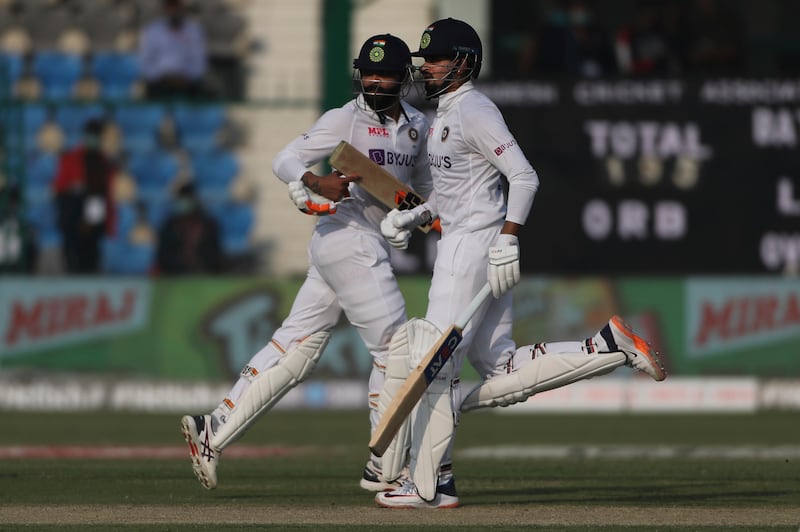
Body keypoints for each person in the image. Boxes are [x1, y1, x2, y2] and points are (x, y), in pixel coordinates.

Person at [375, 18, 666, 509]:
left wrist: (508, 239)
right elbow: (458, 193)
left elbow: (524, 177)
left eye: (438, 60)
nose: (428, 69)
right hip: (468, 241)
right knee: (499, 363)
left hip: (474, 248)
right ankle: (606, 346)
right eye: (426, 62)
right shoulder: (448, 113)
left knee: (437, 364)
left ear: (465, 62)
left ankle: (430, 485)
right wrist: (414, 217)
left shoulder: (474, 110)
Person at [179, 34, 432, 491]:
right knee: (396, 350)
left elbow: (424, 190)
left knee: (295, 350)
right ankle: (388, 468)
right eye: (368, 73)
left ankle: (213, 429)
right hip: (346, 239)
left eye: (386, 74)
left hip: (363, 245)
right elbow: (285, 159)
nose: (375, 81)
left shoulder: (418, 127)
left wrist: (418, 218)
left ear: (403, 77)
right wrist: (316, 181)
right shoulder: (343, 118)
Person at [53, 119, 116, 274]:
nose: (93, 139)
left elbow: (105, 195)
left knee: (90, 254)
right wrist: (73, 189)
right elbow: (59, 187)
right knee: (72, 258)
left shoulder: (103, 162)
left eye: (96, 136)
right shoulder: (71, 158)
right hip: (72, 214)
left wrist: (105, 223)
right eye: (91, 135)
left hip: (94, 210)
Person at [137, 0, 208, 100]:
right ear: (164, 8)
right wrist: (162, 77)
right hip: (159, 83)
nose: (173, 10)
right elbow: (146, 62)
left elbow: (199, 62)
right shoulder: (153, 30)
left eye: (176, 6)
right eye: (170, 6)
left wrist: (187, 78)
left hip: (187, 83)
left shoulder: (193, 30)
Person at [155, 182, 223, 274]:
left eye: (187, 199)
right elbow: (163, 256)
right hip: (175, 275)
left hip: (204, 275)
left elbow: (215, 256)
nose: (183, 203)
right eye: (181, 200)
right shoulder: (170, 226)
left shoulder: (209, 225)